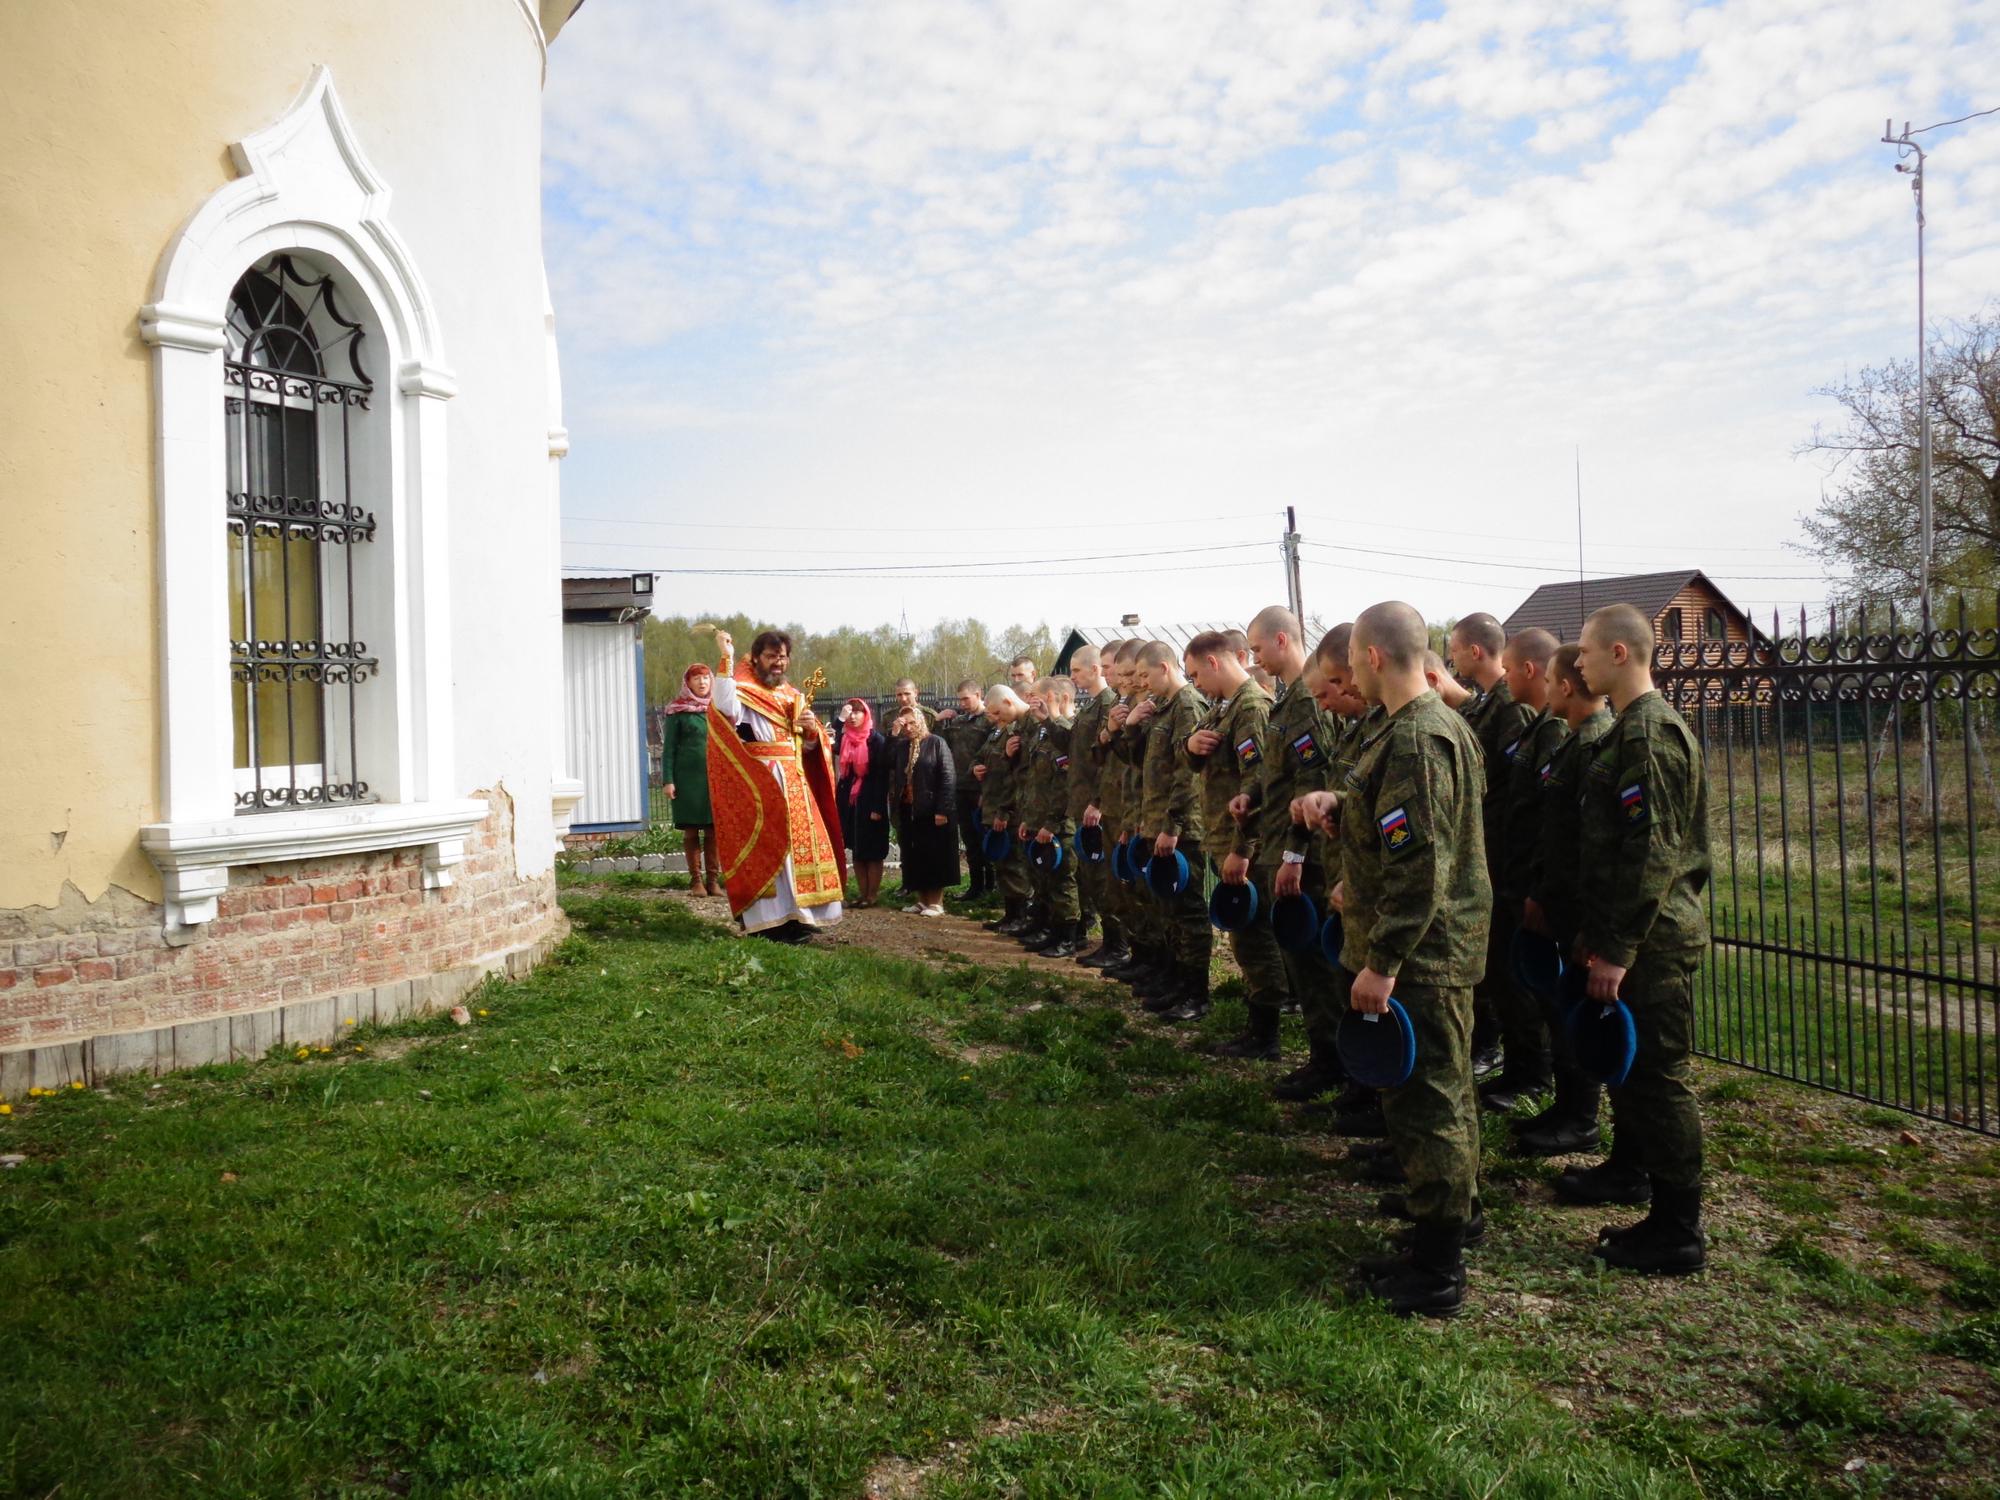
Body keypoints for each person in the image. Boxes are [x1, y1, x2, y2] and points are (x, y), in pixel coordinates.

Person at [1337, 601, 1491, 1318]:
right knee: (1439, 1097)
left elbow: (1423, 864)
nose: (1351, 676)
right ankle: (1447, 1227)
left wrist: (1384, 959)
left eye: (1352, 663)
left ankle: (1437, 1274)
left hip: (1424, 956)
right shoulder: (1424, 725)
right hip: (1427, 948)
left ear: (1373, 657)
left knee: (1432, 1106)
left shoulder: (1418, 739)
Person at [1573, 603, 1713, 1275]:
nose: (1578, 662)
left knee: (1659, 1078)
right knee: (1630, 1068)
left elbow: (1653, 855)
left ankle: (1678, 1229)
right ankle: (1630, 1170)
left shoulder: (1652, 734)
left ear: (1620, 653)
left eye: (1585, 651)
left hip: (1652, 940)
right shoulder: (1628, 728)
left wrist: (1619, 948)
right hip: (1627, 934)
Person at [1228, 605, 1343, 1099]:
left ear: (1282, 639)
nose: (1255, 658)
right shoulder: (1286, 699)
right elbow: (1279, 771)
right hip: (1279, 842)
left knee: (1314, 963)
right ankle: (1323, 1058)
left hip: (1306, 856)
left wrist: (1295, 855)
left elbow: (1313, 782)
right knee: (1299, 957)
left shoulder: (1309, 701)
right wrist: (1251, 794)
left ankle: (1332, 1062)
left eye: (1257, 648)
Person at [1516, 644, 1621, 1165]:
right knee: (1560, 1010)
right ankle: (1566, 1106)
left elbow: (1591, 842)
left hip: (1579, 906)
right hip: (1558, 900)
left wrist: (1585, 920)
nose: (1545, 688)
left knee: (1577, 1012)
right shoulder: (1574, 740)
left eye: (1551, 680)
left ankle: (1581, 1118)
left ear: (1562, 686)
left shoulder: (1596, 742)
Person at [1450, 611, 1542, 1099]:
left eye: (1455, 650)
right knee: (1497, 969)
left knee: (1513, 973)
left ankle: (1531, 1071)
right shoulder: (1487, 703)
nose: (1451, 659)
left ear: (1475, 650)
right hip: (1489, 854)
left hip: (1506, 856)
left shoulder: (1511, 707)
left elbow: (1514, 792)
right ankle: (1515, 1062)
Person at [707, 630, 844, 943]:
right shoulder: (744, 690)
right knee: (769, 849)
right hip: (761, 782)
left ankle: (800, 915)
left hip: (795, 781)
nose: (777, 663)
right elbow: (724, 707)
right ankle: (769, 923)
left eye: (782, 657)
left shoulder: (792, 694)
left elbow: (808, 748)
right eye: (771, 657)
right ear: (756, 658)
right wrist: (726, 657)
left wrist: (811, 733)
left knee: (798, 852)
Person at [1183, 629, 1279, 1056]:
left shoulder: (1251, 707)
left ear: (1213, 662)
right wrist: (1191, 745)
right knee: (1243, 937)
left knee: (1254, 938)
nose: (1195, 683)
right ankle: (1256, 1022)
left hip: (1244, 845)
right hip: (1222, 837)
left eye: (1195, 674)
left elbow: (1257, 785)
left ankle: (1266, 1033)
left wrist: (1243, 849)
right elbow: (1194, 755)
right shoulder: (1221, 707)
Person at [1129, 640, 1212, 1020]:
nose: (1142, 683)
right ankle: (1176, 983)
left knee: (1189, 912)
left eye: (1145, 675)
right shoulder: (1163, 707)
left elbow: (1188, 775)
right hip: (1160, 822)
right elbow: (1149, 767)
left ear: (1164, 667)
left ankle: (1196, 994)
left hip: (1182, 830)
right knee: (1169, 911)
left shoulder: (1188, 705)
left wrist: (1173, 825)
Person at [1016, 675, 1083, 954]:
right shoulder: (1043, 732)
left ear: (1051, 697)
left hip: (1059, 825)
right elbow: (1035, 781)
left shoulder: (1065, 733)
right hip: (1038, 820)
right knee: (1044, 881)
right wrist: (1029, 819)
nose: (1029, 700)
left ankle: (1068, 937)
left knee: (1062, 883)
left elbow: (1065, 786)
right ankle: (1050, 930)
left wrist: (1052, 823)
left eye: (1034, 695)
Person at [1067, 644, 1125, 966]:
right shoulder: (1095, 706)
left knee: (1105, 880)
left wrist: (1097, 801)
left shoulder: (1108, 704)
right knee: (1093, 877)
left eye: (1077, 670)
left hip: (1100, 805)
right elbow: (1083, 754)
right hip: (1085, 802)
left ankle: (1117, 944)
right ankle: (1111, 942)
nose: (1073, 676)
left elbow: (1108, 762)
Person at [658, 663, 720, 896]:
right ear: (688, 683)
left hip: (714, 778)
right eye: (696, 679)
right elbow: (669, 749)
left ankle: (713, 881)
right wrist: (668, 780)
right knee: (691, 830)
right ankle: (696, 882)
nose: (702, 682)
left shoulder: (719, 709)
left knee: (713, 830)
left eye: (706, 678)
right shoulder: (678, 711)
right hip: (687, 780)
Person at [889, 705, 957, 915]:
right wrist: (893, 734)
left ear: (921, 721)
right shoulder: (902, 746)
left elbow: (948, 777)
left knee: (934, 856)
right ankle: (922, 900)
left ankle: (936, 902)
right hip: (909, 810)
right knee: (914, 857)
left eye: (912, 723)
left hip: (931, 810)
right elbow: (885, 762)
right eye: (905, 724)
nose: (909, 728)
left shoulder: (936, 743)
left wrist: (943, 809)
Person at [975, 685, 1033, 932]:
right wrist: (977, 768)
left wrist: (1004, 811)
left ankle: (1021, 916)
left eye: (997, 713)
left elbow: (1014, 779)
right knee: (1003, 864)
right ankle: (1010, 915)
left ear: (1009, 702)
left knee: (1014, 866)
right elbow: (984, 758)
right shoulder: (1004, 730)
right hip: (995, 804)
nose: (995, 719)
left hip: (1011, 810)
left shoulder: (1021, 730)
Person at [938, 680, 994, 897]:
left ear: (978, 695)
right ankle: (976, 885)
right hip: (960, 788)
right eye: (960, 699)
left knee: (986, 837)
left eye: (966, 699)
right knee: (970, 839)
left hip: (981, 789)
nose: (962, 704)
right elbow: (941, 744)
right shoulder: (958, 722)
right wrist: (939, 721)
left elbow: (992, 756)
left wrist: (986, 790)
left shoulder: (989, 720)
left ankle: (992, 885)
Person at [836, 698, 891, 907]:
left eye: (857, 712)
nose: (853, 717)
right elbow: (827, 740)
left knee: (873, 850)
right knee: (857, 849)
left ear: (866, 715)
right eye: (850, 713)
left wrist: (878, 807)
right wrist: (839, 719)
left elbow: (882, 775)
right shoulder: (845, 739)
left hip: (870, 798)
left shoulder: (875, 740)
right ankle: (862, 894)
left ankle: (872, 895)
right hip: (850, 801)